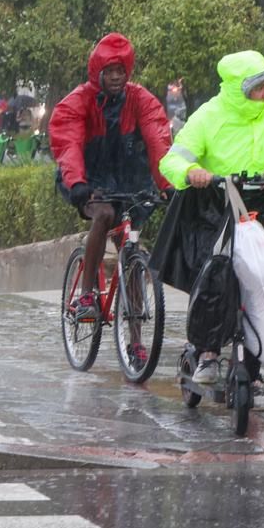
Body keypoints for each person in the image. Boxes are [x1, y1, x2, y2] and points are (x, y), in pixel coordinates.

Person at [154, 50, 264, 410]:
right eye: (259, 88)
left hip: (262, 203)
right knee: (216, 278)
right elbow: (173, 158)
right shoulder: (209, 115)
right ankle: (207, 352)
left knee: (260, 284)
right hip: (216, 205)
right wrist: (191, 172)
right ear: (241, 89)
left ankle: (254, 372)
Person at [50, 33, 173, 322]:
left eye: (121, 70)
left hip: (129, 180)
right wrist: (77, 183)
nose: (116, 77)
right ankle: (86, 295)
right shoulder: (78, 101)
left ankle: (136, 339)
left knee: (130, 247)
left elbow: (158, 142)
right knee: (104, 214)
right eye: (110, 71)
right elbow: (68, 143)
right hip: (88, 178)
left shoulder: (141, 99)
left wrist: (168, 184)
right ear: (98, 73)